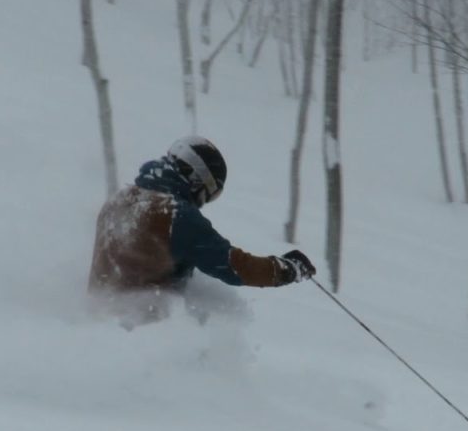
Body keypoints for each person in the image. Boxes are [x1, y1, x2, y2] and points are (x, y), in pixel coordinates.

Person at [88, 136, 316, 326]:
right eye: (208, 194)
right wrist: (287, 269)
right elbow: (233, 266)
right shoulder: (175, 214)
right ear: (197, 180)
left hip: (99, 328)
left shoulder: (118, 201)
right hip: (146, 334)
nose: (203, 202)